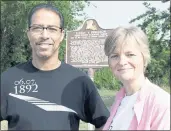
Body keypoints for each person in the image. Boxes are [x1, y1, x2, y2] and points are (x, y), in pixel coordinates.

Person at [0, 3, 109, 130]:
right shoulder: (8, 79)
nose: (45, 35)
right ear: (28, 33)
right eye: (37, 28)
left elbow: (103, 123)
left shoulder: (79, 81)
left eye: (52, 29)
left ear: (62, 34)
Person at [102, 26, 170, 130]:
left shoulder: (160, 102)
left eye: (130, 54)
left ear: (144, 58)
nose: (122, 62)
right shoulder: (120, 100)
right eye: (115, 56)